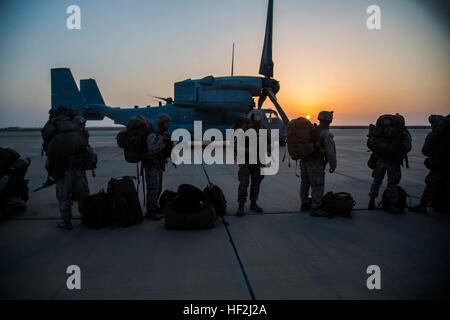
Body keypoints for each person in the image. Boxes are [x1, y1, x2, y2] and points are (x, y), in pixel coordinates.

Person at [42, 107, 90, 230]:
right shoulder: (73, 126)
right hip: (78, 166)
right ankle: (87, 217)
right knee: (82, 192)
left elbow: (49, 149)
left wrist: (51, 170)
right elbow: (85, 145)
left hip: (62, 168)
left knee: (64, 195)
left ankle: (66, 221)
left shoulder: (53, 127)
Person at [368, 114, 412, 213]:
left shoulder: (380, 131)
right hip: (394, 162)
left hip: (380, 160)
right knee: (392, 184)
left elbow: (371, 143)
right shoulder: (401, 132)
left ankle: (371, 201)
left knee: (376, 181)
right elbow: (407, 146)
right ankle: (393, 205)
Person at [300, 111, 337, 217]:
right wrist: (333, 165)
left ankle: (304, 203)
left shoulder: (312, 130)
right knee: (317, 185)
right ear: (329, 120)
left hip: (305, 162)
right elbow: (330, 151)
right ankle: (316, 207)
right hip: (315, 163)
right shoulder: (325, 133)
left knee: (305, 184)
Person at [410, 115, 448, 213]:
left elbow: (425, 151)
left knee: (430, 184)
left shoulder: (434, 136)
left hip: (439, 166)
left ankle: (423, 205)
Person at [236, 110, 268, 217]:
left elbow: (270, 144)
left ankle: (253, 203)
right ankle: (241, 205)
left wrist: (266, 148)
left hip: (258, 162)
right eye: (255, 121)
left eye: (258, 122)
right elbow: (236, 146)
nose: (256, 124)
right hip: (246, 161)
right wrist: (248, 150)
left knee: (256, 182)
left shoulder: (263, 130)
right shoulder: (244, 130)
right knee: (244, 183)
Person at [143, 113, 173, 220]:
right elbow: (151, 150)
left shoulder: (163, 135)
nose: (168, 124)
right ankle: (150, 211)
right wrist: (161, 141)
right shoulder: (153, 136)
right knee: (153, 188)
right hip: (152, 166)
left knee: (158, 188)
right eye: (167, 123)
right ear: (162, 123)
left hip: (159, 165)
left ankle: (155, 207)